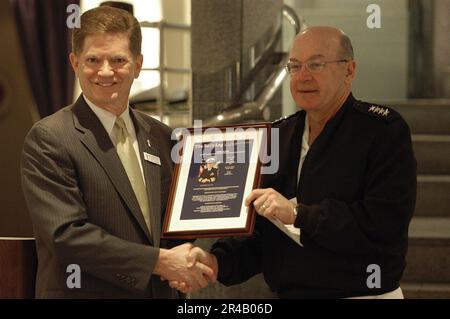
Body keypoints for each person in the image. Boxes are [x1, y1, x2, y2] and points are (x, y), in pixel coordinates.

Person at [173, 26, 417, 298]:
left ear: (350, 70)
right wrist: (217, 262)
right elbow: (263, 232)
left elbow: (383, 224)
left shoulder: (382, 131)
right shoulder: (278, 136)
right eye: (295, 66)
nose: (303, 76)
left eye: (316, 64)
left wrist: (298, 214)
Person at [20, 6, 214, 299]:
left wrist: (188, 259)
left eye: (118, 60)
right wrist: (161, 262)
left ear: (137, 65)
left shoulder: (163, 137)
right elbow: (67, 236)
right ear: (74, 63)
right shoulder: (50, 138)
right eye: (93, 60)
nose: (106, 71)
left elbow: (172, 225)